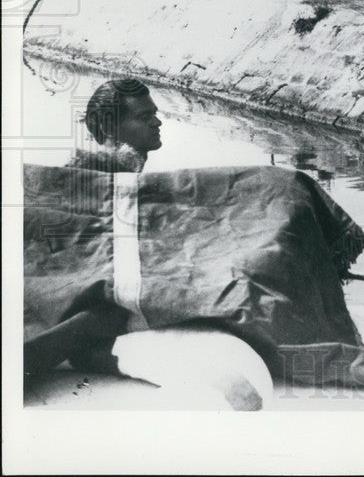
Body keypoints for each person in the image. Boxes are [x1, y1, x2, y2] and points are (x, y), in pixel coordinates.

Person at [39, 78, 275, 410]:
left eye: (155, 113)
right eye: (144, 116)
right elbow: (77, 252)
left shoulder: (127, 175)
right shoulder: (85, 181)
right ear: (106, 126)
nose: (156, 122)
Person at [69, 78, 163, 172]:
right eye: (145, 117)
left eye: (154, 113)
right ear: (108, 128)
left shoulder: (99, 171)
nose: (158, 122)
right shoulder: (92, 176)